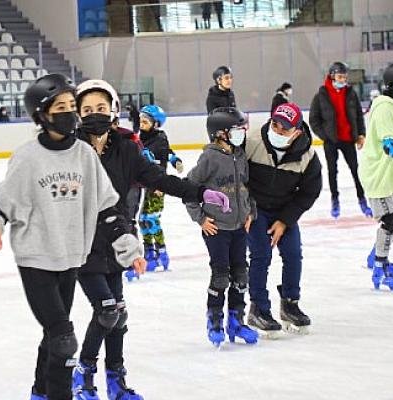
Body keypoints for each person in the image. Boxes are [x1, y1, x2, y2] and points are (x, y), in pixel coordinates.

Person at [0, 74, 141, 400]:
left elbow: (108, 210)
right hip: (36, 259)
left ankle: (39, 392)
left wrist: (128, 249)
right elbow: (0, 201)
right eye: (61, 107)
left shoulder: (83, 155)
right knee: (64, 338)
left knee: (52, 334)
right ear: (42, 115)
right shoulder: (28, 157)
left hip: (71, 259)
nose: (70, 113)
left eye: (72, 106)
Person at [71, 79, 228, 399]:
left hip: (118, 241)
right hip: (82, 245)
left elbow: (159, 179)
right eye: (87, 109)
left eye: (101, 107)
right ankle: (82, 373)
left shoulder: (127, 149)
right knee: (106, 310)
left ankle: (116, 381)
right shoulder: (69, 151)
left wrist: (199, 192)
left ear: (113, 110)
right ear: (77, 114)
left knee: (118, 314)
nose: (94, 114)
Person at [244, 102, 322, 336]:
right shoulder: (252, 142)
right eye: (275, 124)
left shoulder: (307, 156)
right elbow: (236, 177)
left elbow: (310, 191)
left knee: (293, 254)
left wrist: (286, 220)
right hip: (254, 209)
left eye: (284, 128)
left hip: (283, 211)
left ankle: (290, 303)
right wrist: (245, 208)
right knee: (261, 254)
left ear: (297, 131)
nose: (277, 130)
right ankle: (258, 308)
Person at [186, 106, 259, 347]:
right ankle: (215, 318)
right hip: (216, 228)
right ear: (220, 133)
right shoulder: (209, 157)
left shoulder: (239, 154)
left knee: (240, 274)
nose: (242, 133)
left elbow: (247, 187)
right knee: (220, 275)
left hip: (239, 226)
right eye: (237, 129)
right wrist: (200, 218)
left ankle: (236, 320)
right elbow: (189, 188)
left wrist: (250, 212)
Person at [358, 62, 393, 291]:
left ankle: (377, 253)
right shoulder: (383, 107)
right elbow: (388, 143)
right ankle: (380, 266)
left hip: (392, 174)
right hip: (378, 174)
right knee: (391, 221)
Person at [309, 61, 371, 218]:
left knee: (356, 170)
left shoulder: (351, 93)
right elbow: (314, 120)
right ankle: (335, 200)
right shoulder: (321, 95)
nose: (343, 80)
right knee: (332, 172)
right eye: (340, 76)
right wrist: (325, 135)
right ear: (332, 76)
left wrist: (360, 134)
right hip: (331, 140)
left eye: (344, 77)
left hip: (348, 139)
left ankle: (362, 198)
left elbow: (358, 115)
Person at [138, 104, 185, 271]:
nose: (141, 124)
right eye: (140, 120)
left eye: (145, 121)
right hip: (144, 184)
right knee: (142, 220)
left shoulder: (160, 139)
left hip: (158, 185)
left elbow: (166, 155)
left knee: (151, 219)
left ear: (155, 124)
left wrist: (175, 161)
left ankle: (161, 252)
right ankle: (149, 251)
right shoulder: (141, 138)